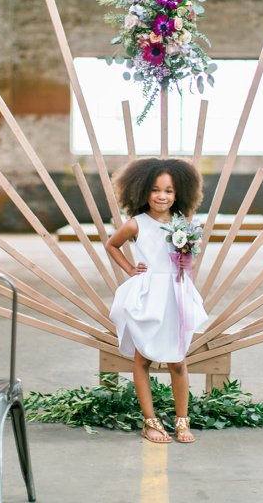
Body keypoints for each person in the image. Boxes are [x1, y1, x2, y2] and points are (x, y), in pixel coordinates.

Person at [106, 157, 208, 444]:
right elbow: (111, 245)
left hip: (175, 293)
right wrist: (129, 268)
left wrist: (184, 257)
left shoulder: (183, 223)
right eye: (155, 189)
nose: (162, 196)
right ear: (141, 191)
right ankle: (150, 422)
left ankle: (182, 420)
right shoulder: (136, 224)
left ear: (179, 194)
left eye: (169, 190)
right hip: (148, 294)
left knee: (178, 359)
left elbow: (185, 259)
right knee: (143, 357)